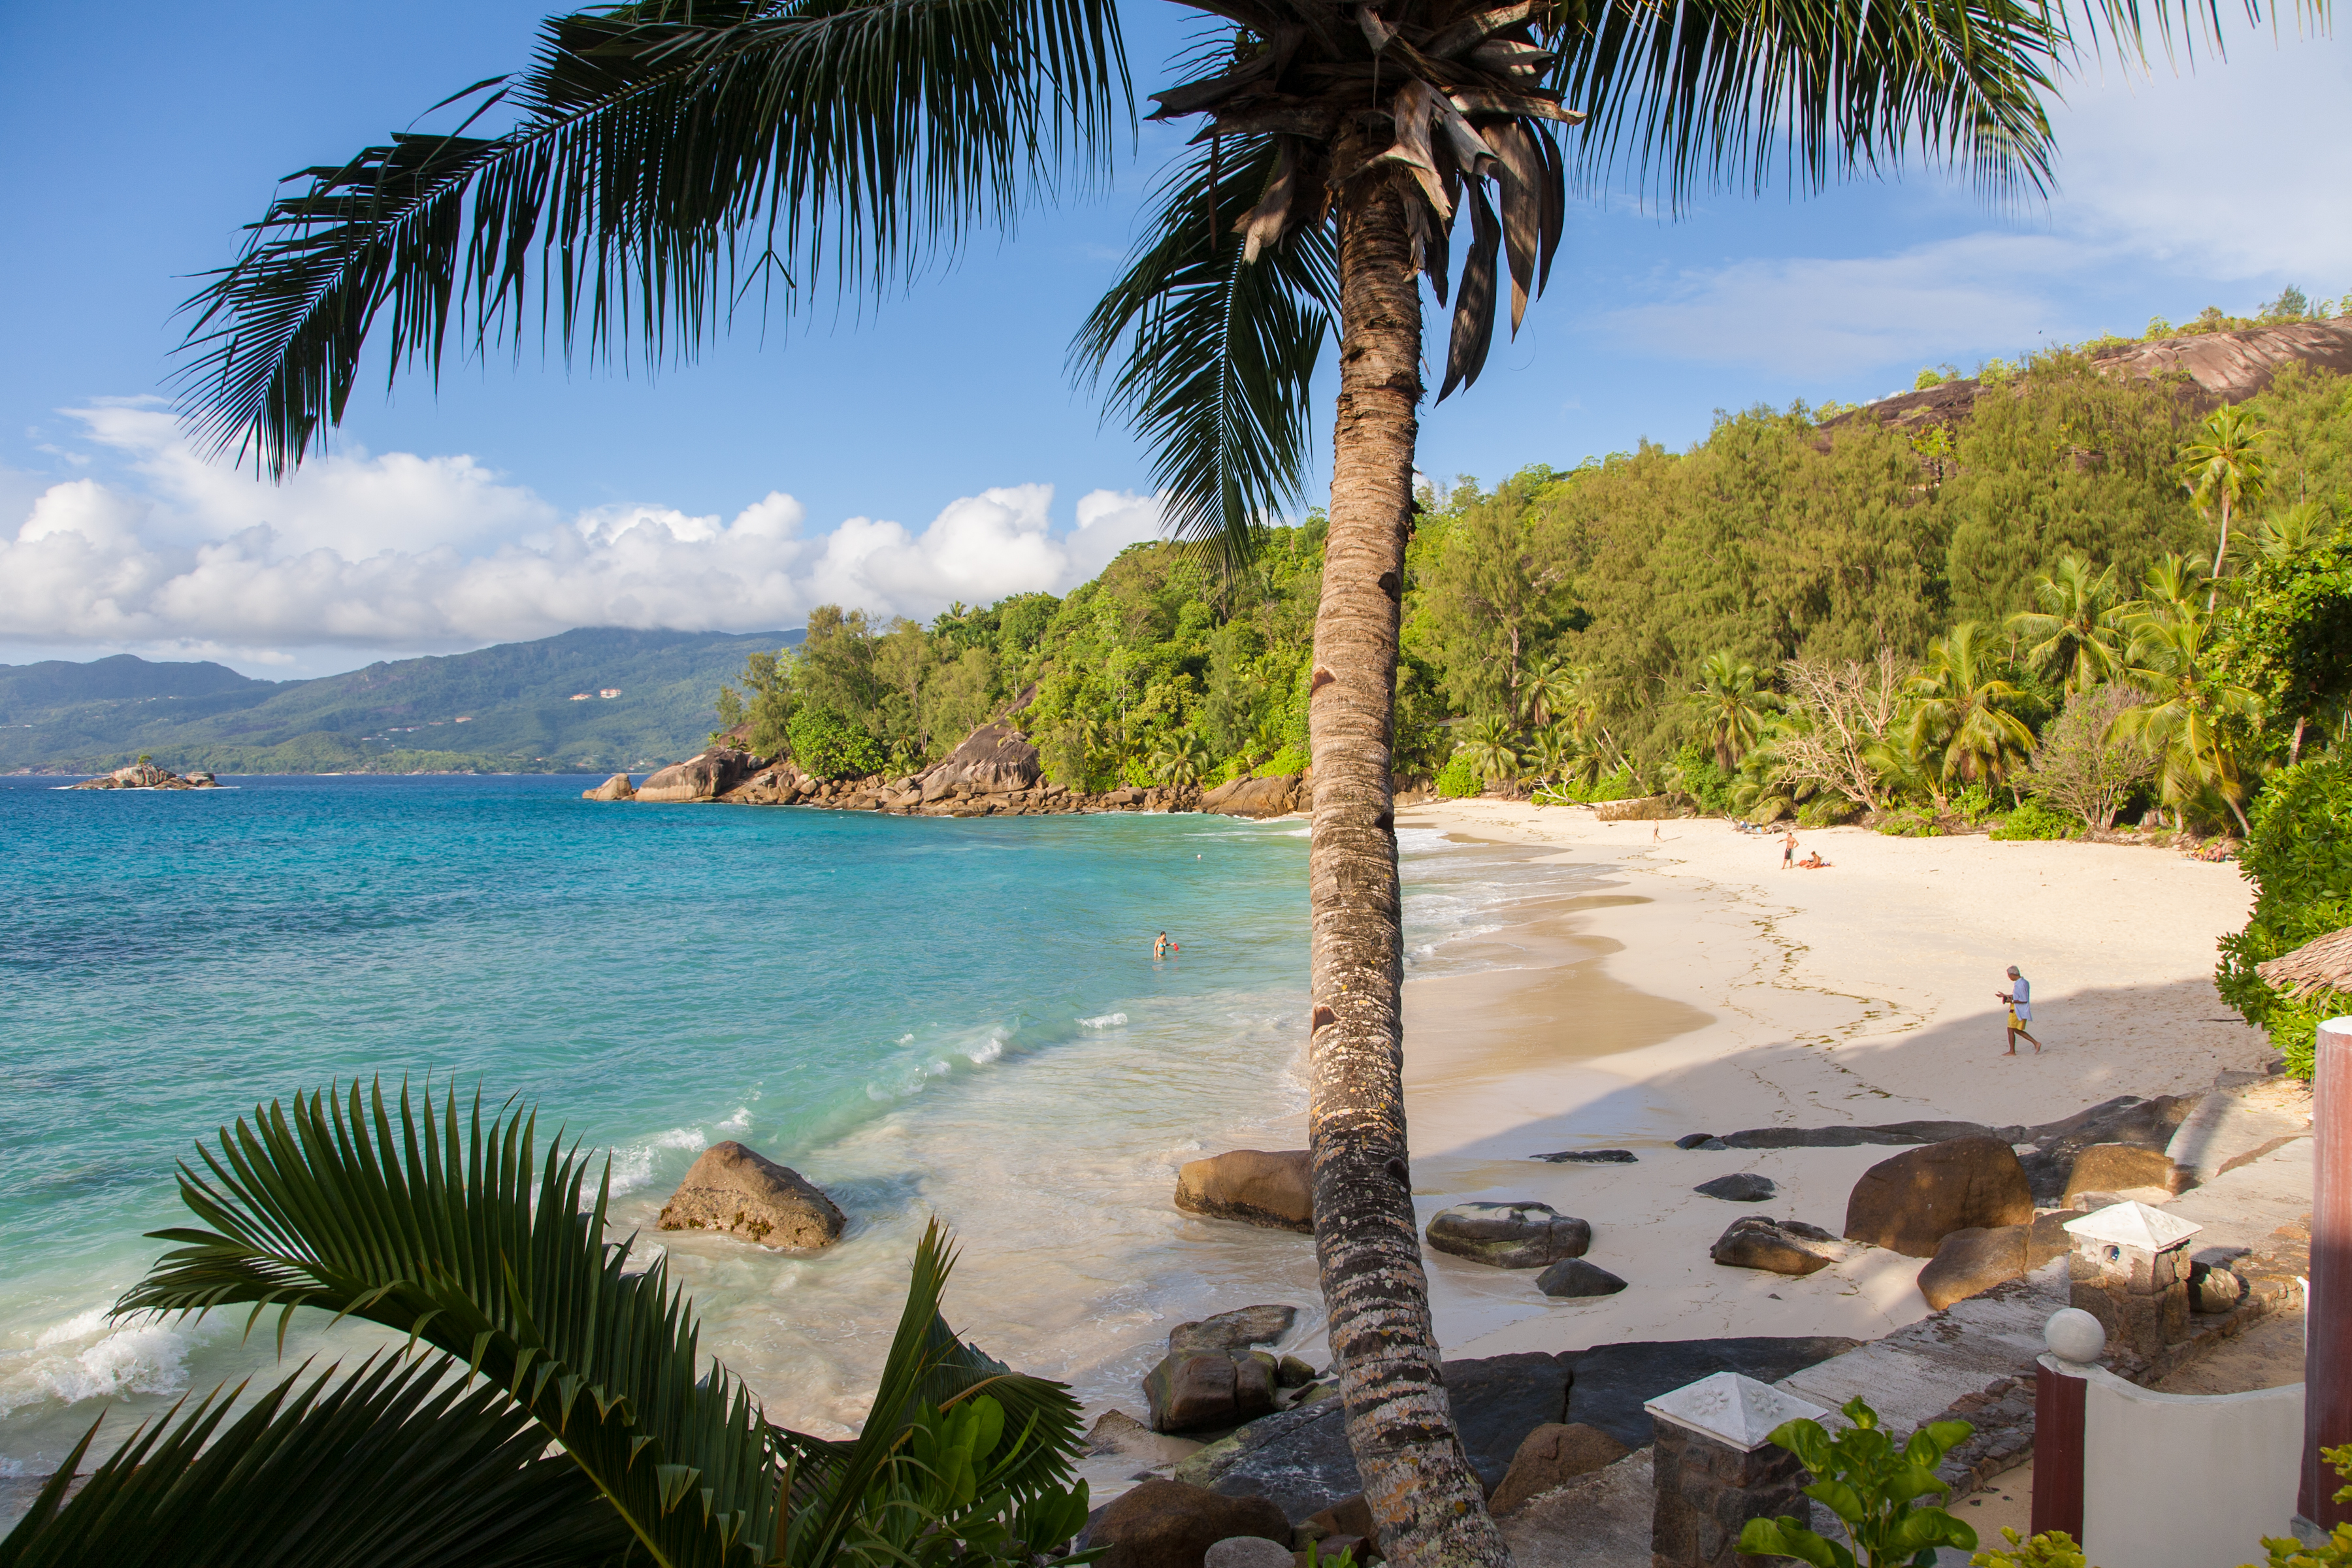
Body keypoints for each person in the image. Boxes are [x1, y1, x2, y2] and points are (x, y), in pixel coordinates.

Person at [1998, 966, 2042, 1055]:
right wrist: (2006, 996)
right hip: (2018, 1010)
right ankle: (2035, 1043)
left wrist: (2011, 1000)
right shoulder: (2023, 982)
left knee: (2011, 1030)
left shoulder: (2021, 984)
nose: (2009, 977)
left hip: (2016, 1010)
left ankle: (2012, 1051)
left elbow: (2024, 999)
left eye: (2009, 975)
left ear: (2013, 974)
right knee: (2016, 1030)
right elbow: (2019, 996)